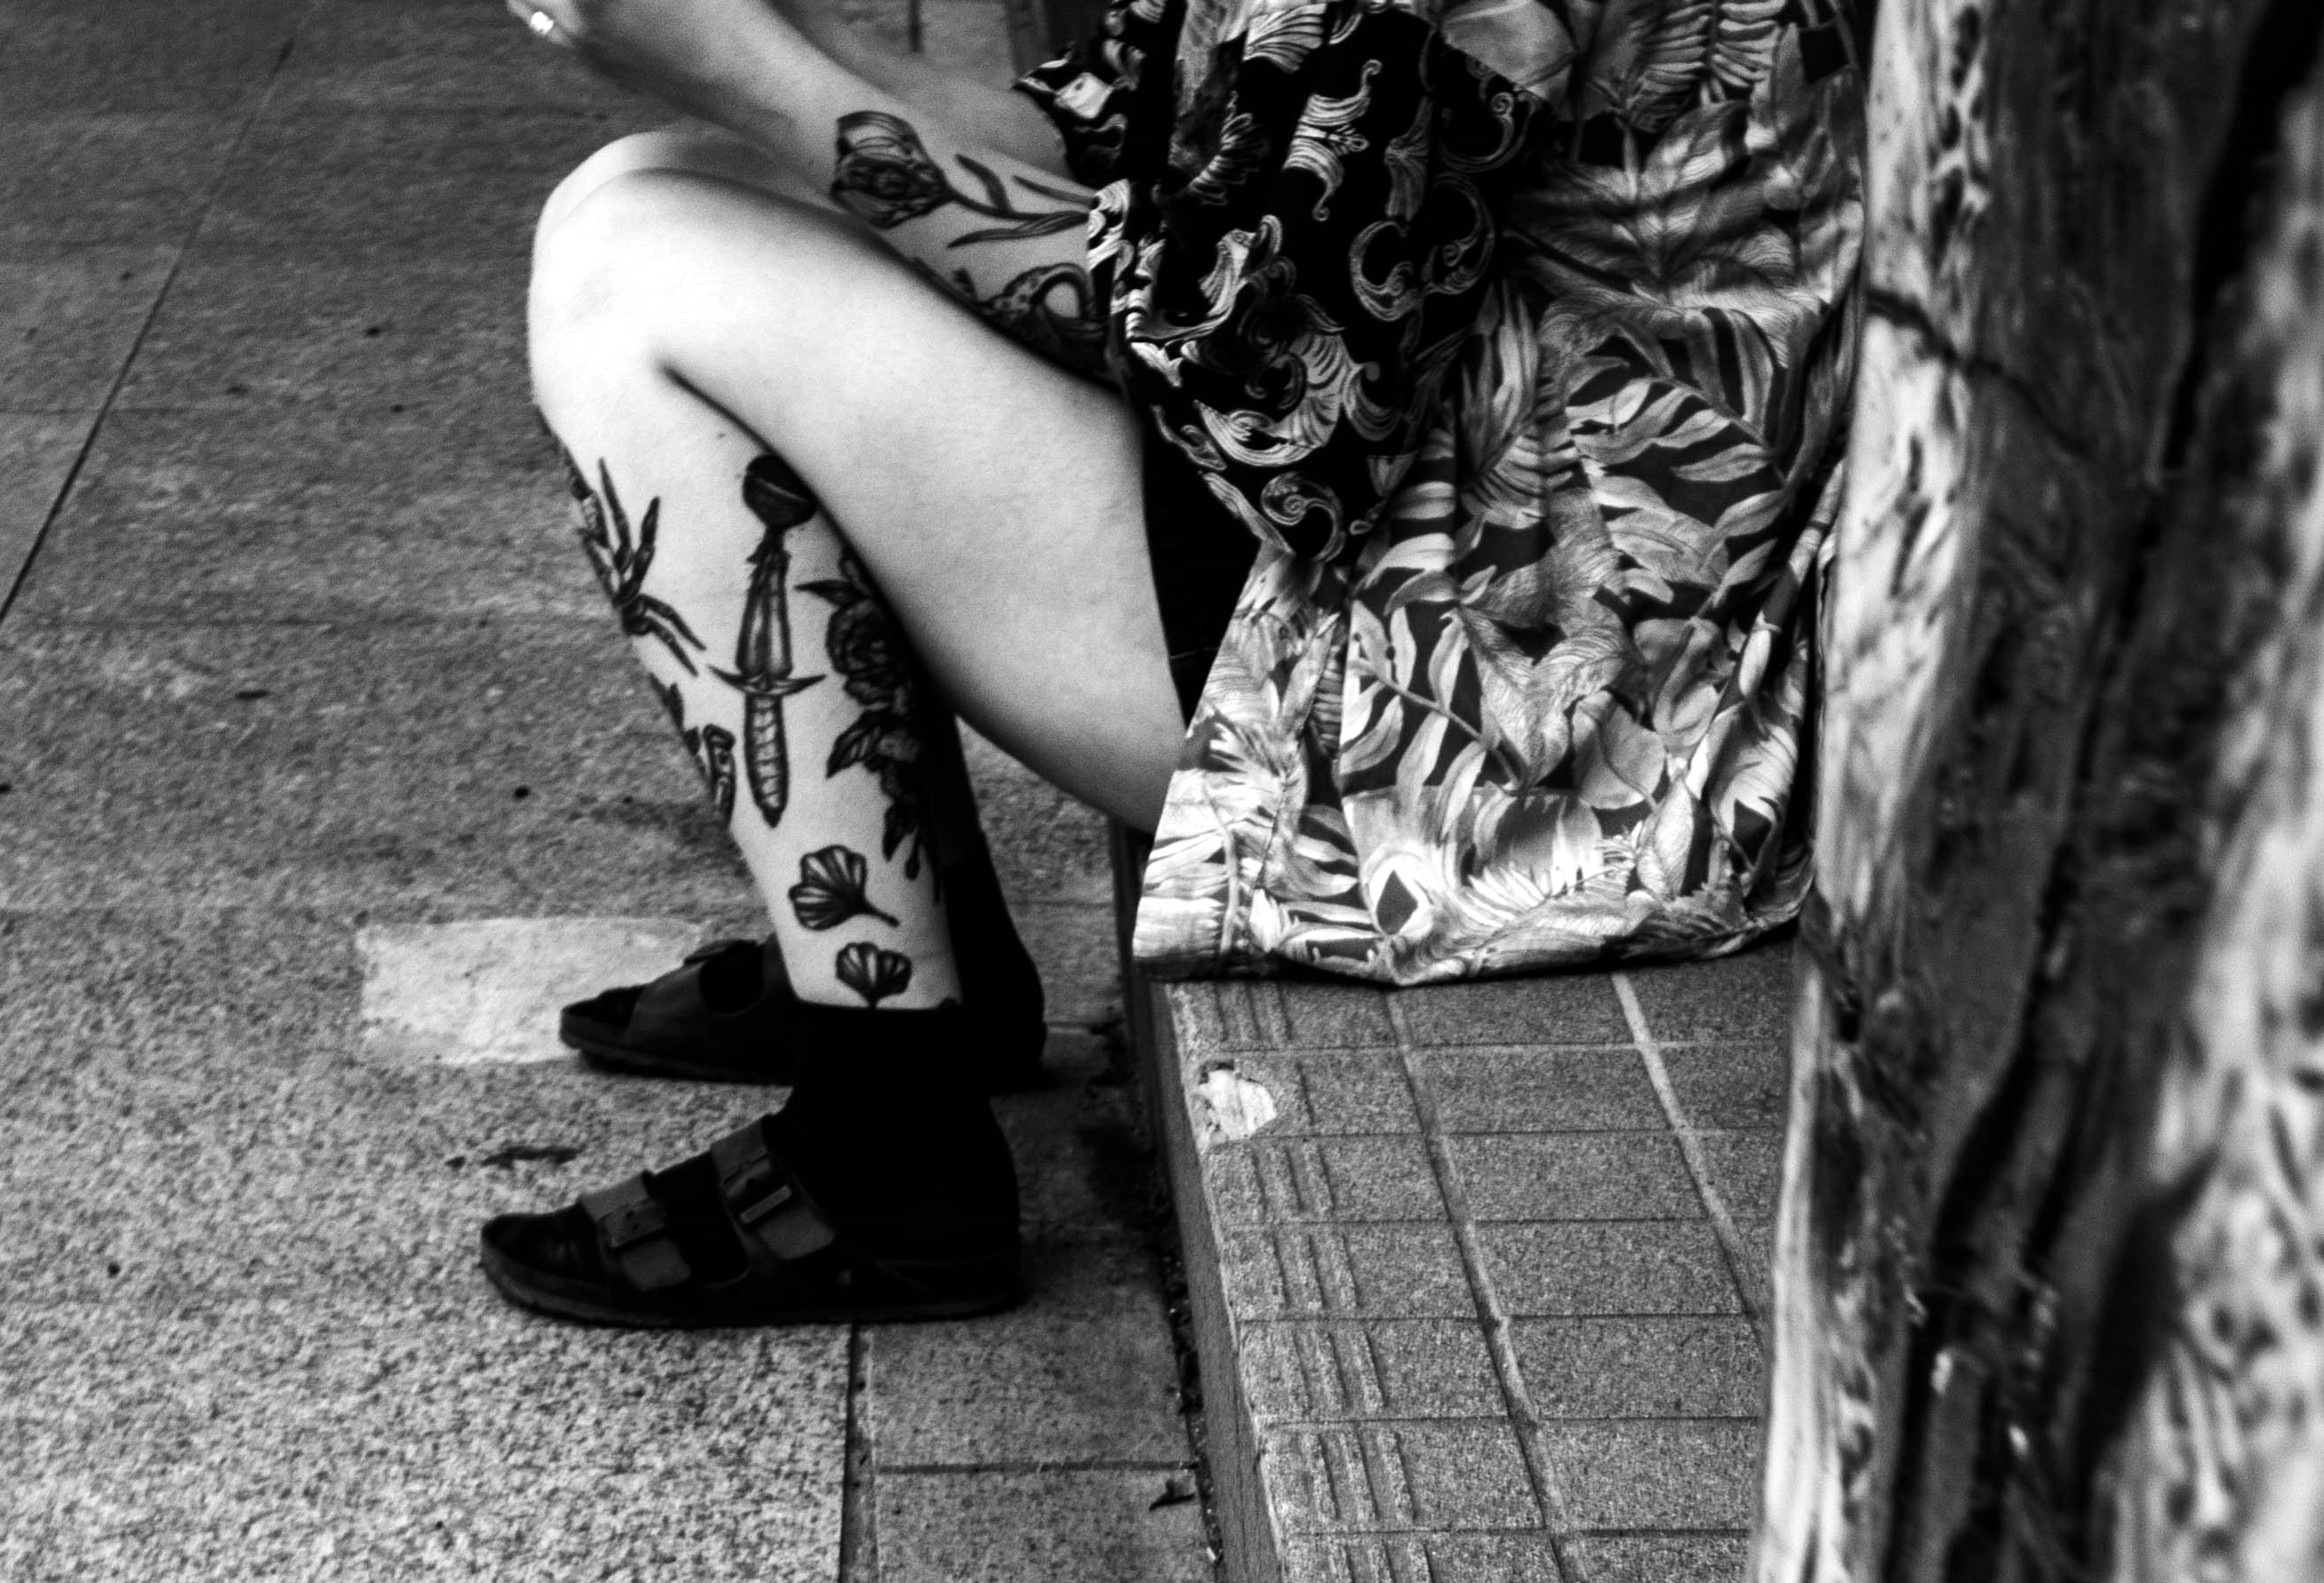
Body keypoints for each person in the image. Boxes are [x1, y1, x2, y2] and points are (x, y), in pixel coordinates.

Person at [484, 0, 1861, 1329]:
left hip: (1531, 724)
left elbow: (1270, 407)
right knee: (670, 183)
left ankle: (890, 1136)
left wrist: (742, 67)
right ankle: (905, 946)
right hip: (1479, 551)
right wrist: (798, 41)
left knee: (638, 264)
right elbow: (1113, 140)